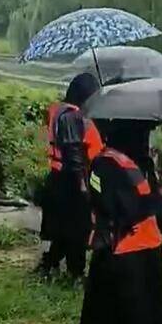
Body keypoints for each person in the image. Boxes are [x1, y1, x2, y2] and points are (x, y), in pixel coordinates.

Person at [78, 120, 162, 324]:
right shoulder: (104, 166)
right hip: (123, 260)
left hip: (145, 256)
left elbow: (154, 213)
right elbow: (125, 211)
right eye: (144, 133)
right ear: (130, 133)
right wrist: (161, 197)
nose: (148, 140)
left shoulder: (137, 162)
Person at [38, 72, 102, 280]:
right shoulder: (72, 117)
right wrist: (83, 186)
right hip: (71, 182)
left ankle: (49, 264)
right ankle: (75, 273)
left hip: (60, 178)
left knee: (64, 229)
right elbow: (74, 153)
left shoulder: (62, 112)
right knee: (79, 229)